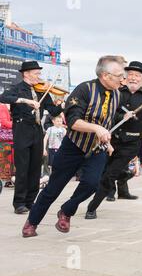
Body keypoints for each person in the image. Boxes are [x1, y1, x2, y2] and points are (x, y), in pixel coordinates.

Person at [21, 56, 124, 238]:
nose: (122, 79)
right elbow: (74, 121)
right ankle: (32, 222)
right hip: (73, 146)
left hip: (97, 148)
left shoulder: (117, 94)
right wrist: (97, 128)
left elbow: (107, 122)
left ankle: (66, 211)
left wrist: (107, 142)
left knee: (92, 184)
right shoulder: (84, 89)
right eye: (119, 75)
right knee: (53, 188)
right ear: (105, 75)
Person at [86, 61, 142, 219]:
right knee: (104, 171)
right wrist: (122, 116)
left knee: (109, 175)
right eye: (131, 75)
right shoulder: (116, 92)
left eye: (137, 75)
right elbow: (106, 114)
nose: (134, 78)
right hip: (111, 141)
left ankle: (92, 207)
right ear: (125, 77)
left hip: (131, 144)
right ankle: (125, 177)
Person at [0, 61, 63, 215]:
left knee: (35, 168)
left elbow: (53, 110)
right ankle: (19, 203)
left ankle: (31, 201)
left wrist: (60, 104)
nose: (39, 76)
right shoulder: (17, 88)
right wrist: (26, 101)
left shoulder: (41, 90)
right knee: (22, 168)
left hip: (36, 130)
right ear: (26, 73)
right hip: (21, 128)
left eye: (39, 73)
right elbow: (3, 97)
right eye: (36, 73)